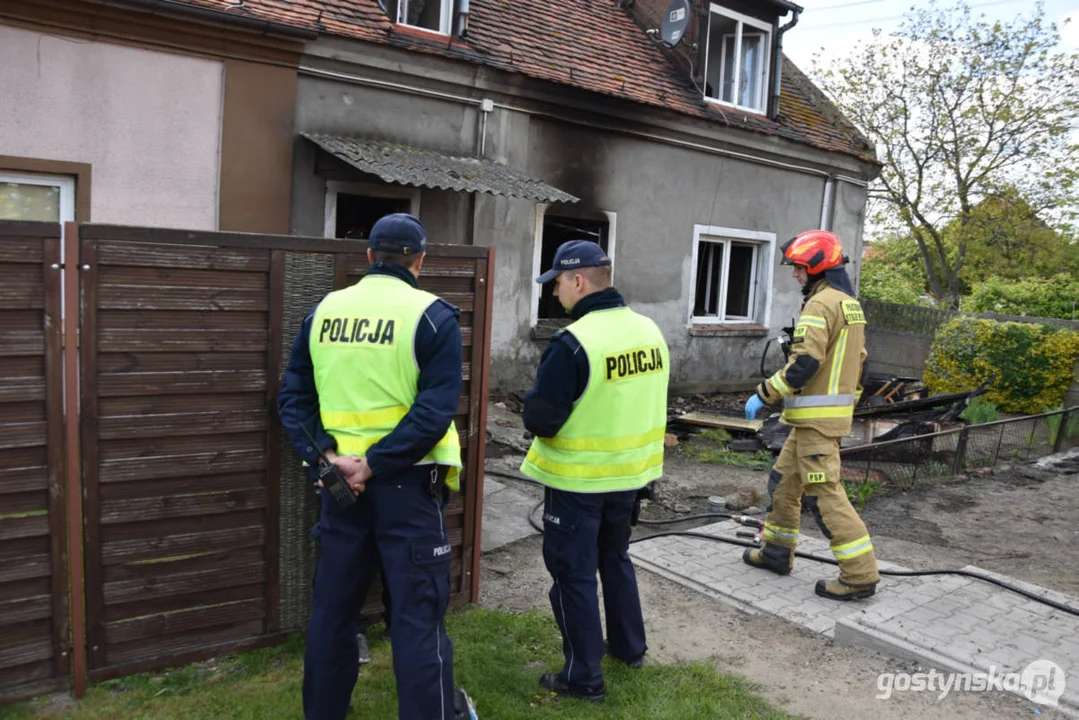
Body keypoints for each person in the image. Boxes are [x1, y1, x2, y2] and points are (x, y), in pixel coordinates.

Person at [277, 213, 477, 720]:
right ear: (420, 261)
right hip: (405, 489)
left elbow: (293, 398)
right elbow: (434, 414)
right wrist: (376, 465)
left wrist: (326, 458)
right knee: (418, 618)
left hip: (341, 487)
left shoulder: (322, 312)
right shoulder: (433, 317)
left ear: (368, 257)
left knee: (333, 615)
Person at [519, 239, 671, 702]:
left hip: (578, 481)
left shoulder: (574, 342)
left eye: (558, 283)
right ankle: (629, 648)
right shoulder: (648, 330)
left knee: (573, 573)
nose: (554, 293)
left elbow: (541, 419)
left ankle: (583, 678)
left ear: (578, 280)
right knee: (615, 559)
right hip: (629, 477)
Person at [743, 229, 880, 601]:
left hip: (816, 425)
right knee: (784, 483)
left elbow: (805, 363)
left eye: (799, 267)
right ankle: (775, 552)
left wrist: (764, 393)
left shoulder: (819, 306)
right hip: (813, 423)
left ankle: (859, 574)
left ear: (817, 267)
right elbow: (861, 364)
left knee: (824, 496)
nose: (795, 275)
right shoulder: (849, 304)